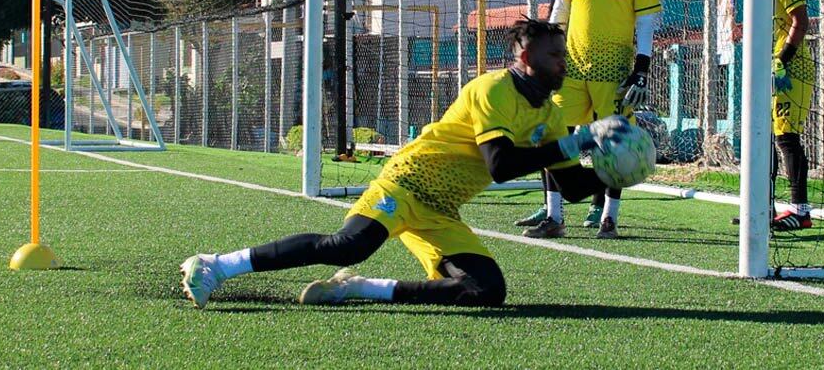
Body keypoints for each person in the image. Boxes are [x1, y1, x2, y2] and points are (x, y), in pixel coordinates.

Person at [179, 19, 632, 309]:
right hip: (408, 183)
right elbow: (501, 165)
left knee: (487, 291)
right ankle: (216, 265)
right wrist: (583, 139)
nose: (562, 64)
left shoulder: (550, 114)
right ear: (525, 56)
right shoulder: (491, 90)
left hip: (441, 210)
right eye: (555, 56)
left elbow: (571, 187)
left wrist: (618, 171)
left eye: (564, 57)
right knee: (348, 244)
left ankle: (356, 289)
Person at [526, 0, 660, 240]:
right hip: (570, 69)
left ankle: (609, 220)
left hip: (613, 73)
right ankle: (554, 216)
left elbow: (645, 24)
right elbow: (560, 11)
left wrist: (641, 68)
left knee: (614, 145)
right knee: (556, 138)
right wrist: (547, 54)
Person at [515, 0, 598, 229]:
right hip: (567, 67)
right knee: (551, 131)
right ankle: (551, 205)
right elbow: (557, 12)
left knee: (597, 135)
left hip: (600, 68)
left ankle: (597, 205)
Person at [730, 0, 813, 230]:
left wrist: (782, 60)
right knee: (761, 137)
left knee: (786, 137)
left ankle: (801, 212)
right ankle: (763, 207)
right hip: (766, 71)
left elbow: (800, 21)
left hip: (791, 71)